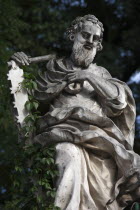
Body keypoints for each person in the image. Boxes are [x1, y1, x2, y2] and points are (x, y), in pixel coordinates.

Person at [11, 15, 140, 210]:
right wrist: (18, 67)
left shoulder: (101, 74)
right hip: (61, 134)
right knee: (67, 153)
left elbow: (119, 102)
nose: (90, 42)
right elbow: (29, 102)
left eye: (95, 39)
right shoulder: (54, 70)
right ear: (73, 36)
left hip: (100, 143)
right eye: (85, 35)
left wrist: (87, 76)